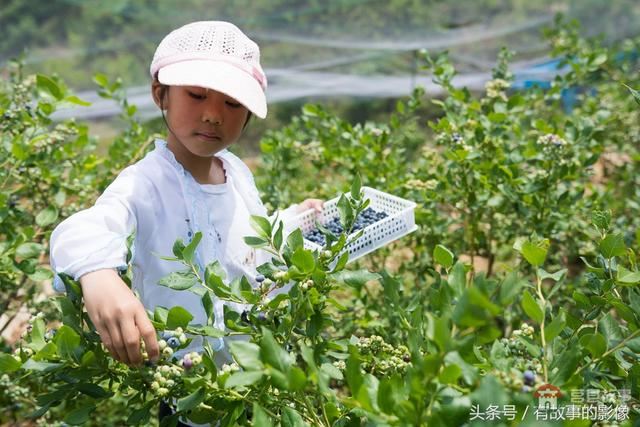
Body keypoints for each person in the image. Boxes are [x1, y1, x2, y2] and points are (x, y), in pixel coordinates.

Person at [50, 20, 322, 376]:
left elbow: (243, 243)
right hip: (192, 387)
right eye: (196, 95)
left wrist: (288, 222)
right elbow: (88, 227)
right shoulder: (145, 184)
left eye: (232, 103)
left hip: (257, 370)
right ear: (160, 93)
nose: (213, 114)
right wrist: (99, 275)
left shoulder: (235, 172)